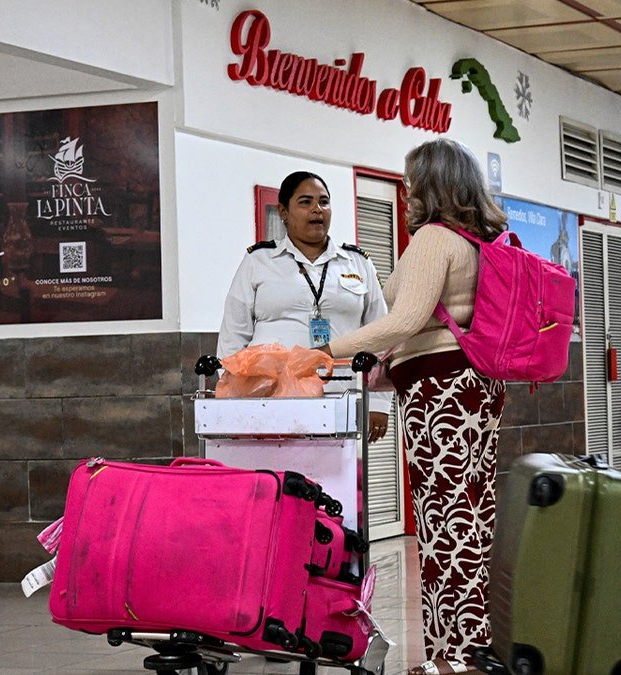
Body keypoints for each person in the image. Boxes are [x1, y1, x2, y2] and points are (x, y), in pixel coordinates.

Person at [322, 138, 507, 675]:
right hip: (476, 389)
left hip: (442, 395)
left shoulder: (433, 239)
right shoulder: (476, 240)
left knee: (445, 521)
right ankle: (451, 653)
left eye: (410, 182)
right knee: (470, 514)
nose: (405, 193)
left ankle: (462, 653)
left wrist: (328, 351)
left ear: (432, 184)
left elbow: (405, 321)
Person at [217, 170, 391, 443]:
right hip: (271, 403)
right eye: (305, 202)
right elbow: (233, 337)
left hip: (342, 399)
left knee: (339, 482)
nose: (317, 210)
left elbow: (381, 335)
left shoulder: (357, 263)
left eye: (324, 202)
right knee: (278, 480)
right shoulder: (258, 261)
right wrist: (235, 400)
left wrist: (379, 403)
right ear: (283, 211)